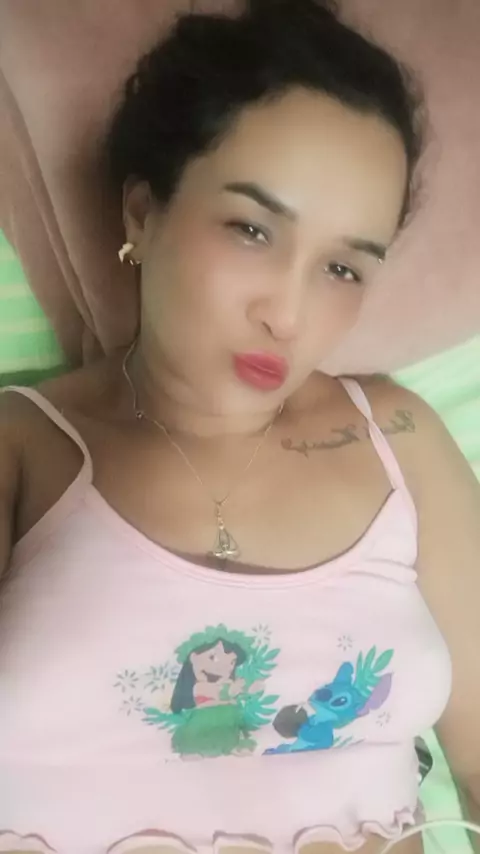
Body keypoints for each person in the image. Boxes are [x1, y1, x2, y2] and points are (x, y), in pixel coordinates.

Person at [0, 0, 479, 852]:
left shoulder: (400, 438)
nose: (287, 314)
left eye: (343, 267)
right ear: (142, 213)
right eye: (252, 229)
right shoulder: (22, 449)